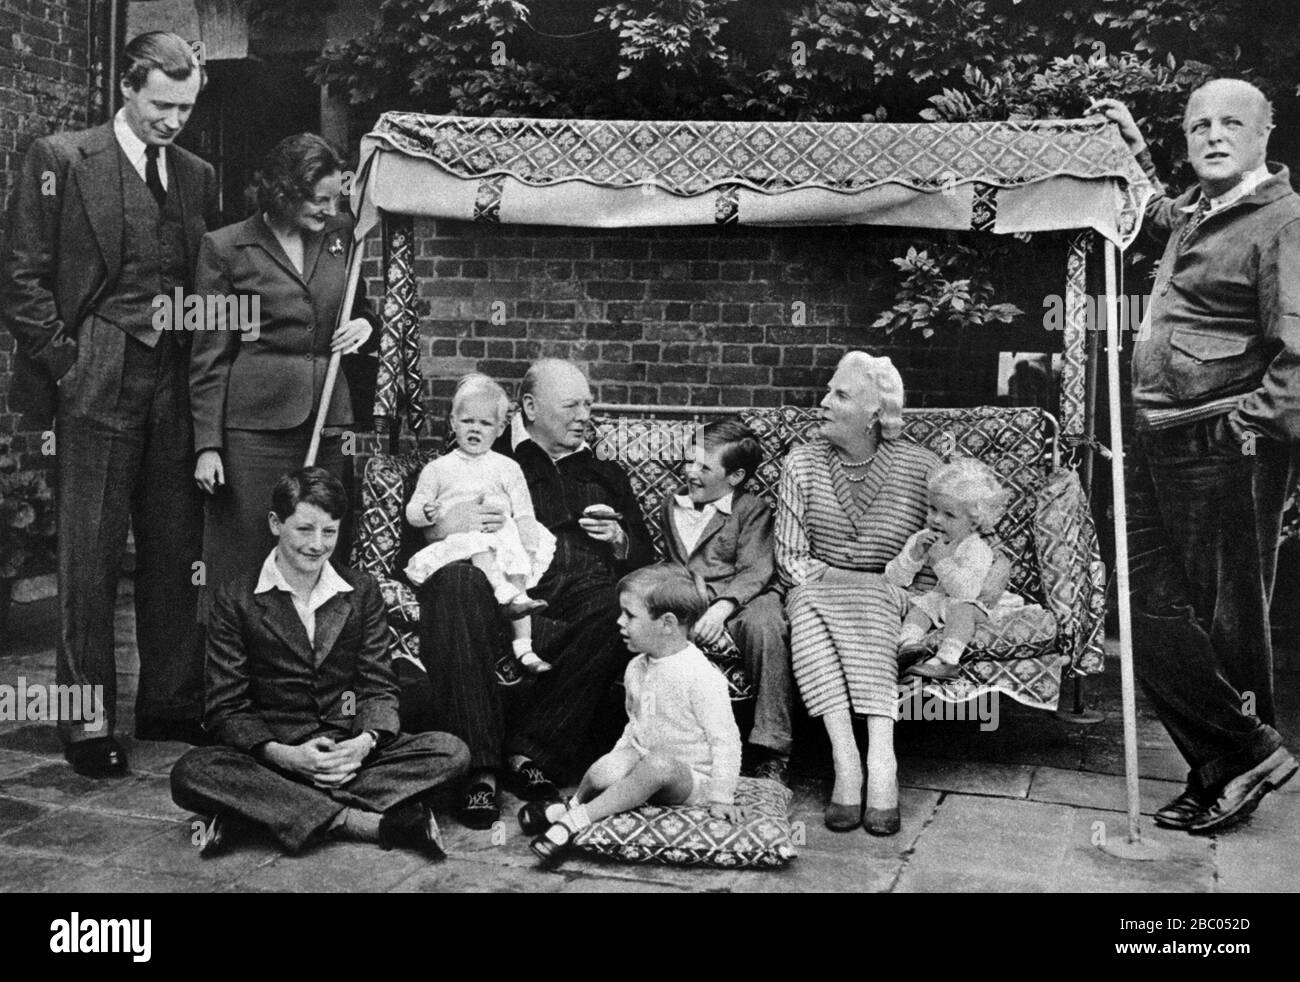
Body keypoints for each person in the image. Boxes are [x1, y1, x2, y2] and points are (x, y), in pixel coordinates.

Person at [0, 32, 219, 775]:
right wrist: (68, 363)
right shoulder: (61, 158)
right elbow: (21, 278)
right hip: (95, 371)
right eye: (161, 104)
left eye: (185, 108)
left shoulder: (196, 173)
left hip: (173, 378)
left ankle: (167, 701)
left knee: (172, 545)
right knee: (88, 552)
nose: (173, 121)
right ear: (128, 88)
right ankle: (85, 721)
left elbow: (195, 279)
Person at [1090, 82, 1299, 833]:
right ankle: (1240, 754)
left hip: (1223, 440)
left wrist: (1247, 430)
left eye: (1231, 124)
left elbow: (1298, 355)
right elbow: (1156, 218)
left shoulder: (1283, 220)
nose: (1213, 135)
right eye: (1199, 125)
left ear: (1265, 134)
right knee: (1147, 608)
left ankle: (1226, 768)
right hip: (1161, 435)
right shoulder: (1204, 214)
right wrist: (1133, 149)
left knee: (1227, 615)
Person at [169, 468, 469, 858]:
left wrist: (363, 744)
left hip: (347, 753)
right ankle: (367, 823)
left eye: (329, 532)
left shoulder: (360, 591)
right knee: (192, 772)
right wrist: (289, 758)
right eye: (304, 529)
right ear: (276, 524)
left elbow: (378, 685)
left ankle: (259, 812)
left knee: (451, 752)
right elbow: (227, 707)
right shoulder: (235, 598)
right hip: (275, 754)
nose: (316, 545)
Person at [407, 358, 654, 830]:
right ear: (530, 408)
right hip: (501, 587)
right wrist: (450, 524)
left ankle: (530, 751)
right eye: (572, 405)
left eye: (589, 404)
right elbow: (420, 529)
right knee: (455, 583)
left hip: (583, 589)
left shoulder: (606, 473)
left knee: (615, 607)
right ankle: (478, 768)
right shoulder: (486, 458)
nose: (585, 415)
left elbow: (645, 556)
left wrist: (619, 539)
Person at [190, 133, 375, 618]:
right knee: (247, 552)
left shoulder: (341, 235)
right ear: (284, 193)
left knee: (317, 548)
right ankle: (233, 677)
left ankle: (306, 673)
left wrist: (365, 324)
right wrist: (208, 444)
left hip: (329, 418)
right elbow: (209, 353)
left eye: (336, 197)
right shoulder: (225, 248)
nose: (331, 208)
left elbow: (361, 306)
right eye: (320, 200)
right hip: (253, 432)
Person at [776, 352, 942, 836]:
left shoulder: (921, 466)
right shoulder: (801, 462)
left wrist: (901, 592)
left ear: (875, 412)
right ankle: (847, 761)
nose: (823, 402)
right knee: (804, 603)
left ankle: (881, 758)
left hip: (893, 592)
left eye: (840, 394)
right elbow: (790, 560)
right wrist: (851, 581)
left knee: (864, 599)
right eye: (828, 391)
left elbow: (938, 555)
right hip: (817, 590)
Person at [520, 564, 743, 861]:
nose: (619, 622)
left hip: (688, 777)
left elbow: (726, 741)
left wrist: (721, 797)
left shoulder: (701, 676)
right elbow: (638, 723)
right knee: (605, 770)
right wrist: (615, 764)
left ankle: (575, 821)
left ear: (667, 624)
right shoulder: (637, 667)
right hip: (644, 757)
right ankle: (572, 803)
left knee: (658, 766)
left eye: (630, 615)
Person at [659, 418, 793, 785]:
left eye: (704, 467)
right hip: (699, 600)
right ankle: (669, 744)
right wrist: (697, 614)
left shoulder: (752, 510)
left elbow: (755, 571)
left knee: (766, 625)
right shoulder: (673, 506)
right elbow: (676, 568)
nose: (691, 472)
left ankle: (771, 749)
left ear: (734, 477)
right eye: (689, 461)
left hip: (746, 597)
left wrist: (721, 612)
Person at [405, 374, 556, 674]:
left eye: (485, 423)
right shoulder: (438, 469)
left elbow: (524, 511)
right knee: (477, 544)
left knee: (517, 567)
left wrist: (527, 546)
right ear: (453, 422)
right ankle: (503, 592)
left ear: (500, 428)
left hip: (500, 539)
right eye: (467, 420)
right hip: (459, 545)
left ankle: (524, 647)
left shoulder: (507, 467)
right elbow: (413, 513)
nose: (475, 428)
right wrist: (428, 511)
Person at [886, 457, 1020, 681]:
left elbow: (966, 592)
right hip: (943, 601)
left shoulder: (976, 548)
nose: (936, 520)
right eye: (932, 509)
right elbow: (894, 578)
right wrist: (913, 556)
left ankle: (947, 660)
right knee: (922, 605)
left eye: (949, 515)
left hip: (976, 604)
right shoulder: (922, 538)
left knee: (961, 608)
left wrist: (941, 561)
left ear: (973, 522)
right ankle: (909, 647)